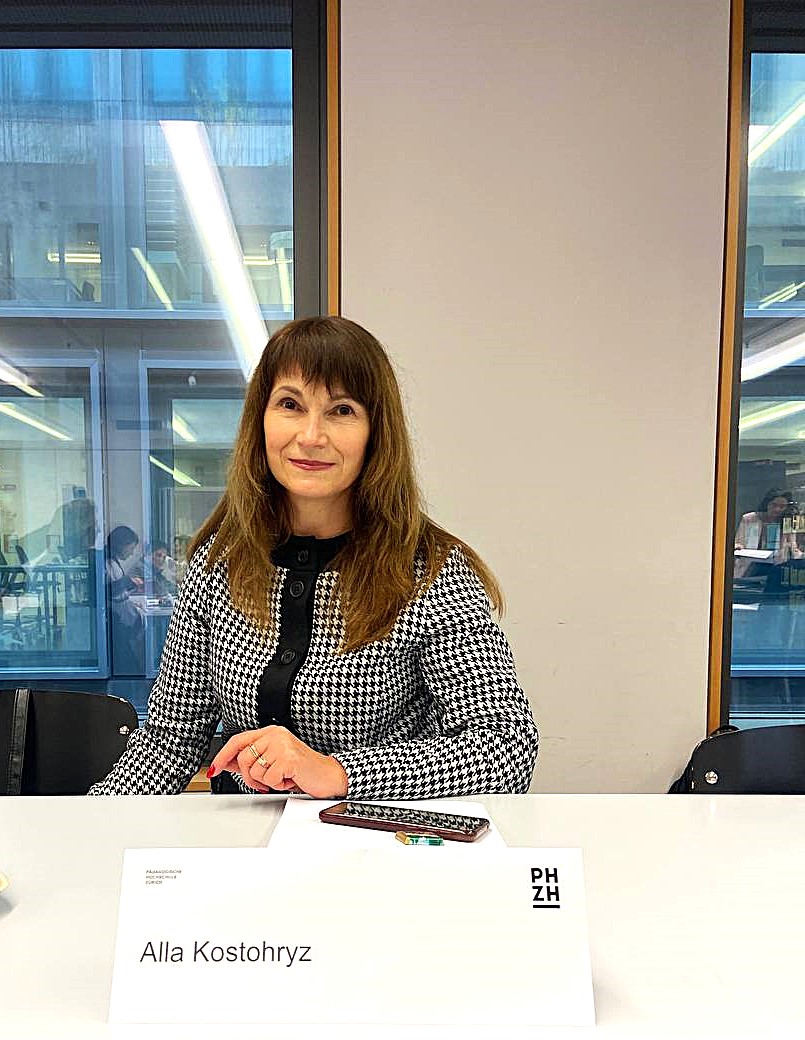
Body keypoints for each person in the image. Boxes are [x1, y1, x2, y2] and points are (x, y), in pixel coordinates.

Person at [90, 316, 538, 798]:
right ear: (260, 419)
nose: (310, 435)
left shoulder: (429, 571)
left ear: (375, 432)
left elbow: (507, 746)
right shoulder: (220, 563)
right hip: (247, 837)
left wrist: (337, 771)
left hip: (375, 835)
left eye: (341, 410)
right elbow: (168, 742)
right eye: (290, 405)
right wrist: (91, 823)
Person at [734, 488, 803, 581]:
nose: (777, 509)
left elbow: (794, 550)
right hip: (749, 567)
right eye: (774, 505)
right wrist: (738, 547)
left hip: (776, 568)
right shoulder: (749, 519)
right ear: (767, 504)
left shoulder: (788, 522)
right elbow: (738, 542)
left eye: (782, 506)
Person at [105, 525, 145, 675]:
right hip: (118, 620)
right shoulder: (107, 563)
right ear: (122, 544)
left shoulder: (113, 562)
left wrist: (129, 585)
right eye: (131, 548)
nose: (132, 553)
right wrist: (127, 581)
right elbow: (109, 590)